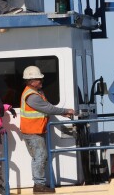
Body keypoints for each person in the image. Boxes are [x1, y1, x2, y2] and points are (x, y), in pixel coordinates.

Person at [20, 65, 74, 194]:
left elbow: (47, 106)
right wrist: (65, 111)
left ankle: (40, 185)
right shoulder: (32, 96)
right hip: (33, 132)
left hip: (37, 130)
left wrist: (62, 113)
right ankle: (39, 186)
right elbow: (48, 108)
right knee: (39, 157)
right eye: (39, 79)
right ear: (31, 81)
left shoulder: (37, 92)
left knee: (40, 157)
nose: (41, 81)